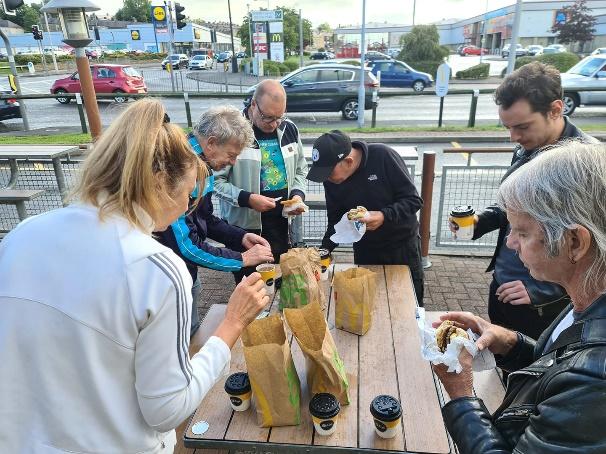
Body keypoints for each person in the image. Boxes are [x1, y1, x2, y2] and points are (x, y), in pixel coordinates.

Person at [0, 99, 269, 453]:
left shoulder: (22, 233)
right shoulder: (155, 267)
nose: (189, 203)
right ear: (159, 183)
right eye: (189, 193)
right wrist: (232, 323)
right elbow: (166, 408)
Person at [433, 141, 606, 453]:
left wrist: (461, 396)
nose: (510, 243)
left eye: (522, 233)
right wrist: (511, 343)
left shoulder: (594, 382)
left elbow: (574, 374)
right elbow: (557, 367)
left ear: (575, 241)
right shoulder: (588, 298)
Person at [450, 62, 596, 339]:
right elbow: (513, 207)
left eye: (522, 126)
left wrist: (541, 292)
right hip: (504, 283)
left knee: (533, 370)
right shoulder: (528, 147)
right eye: (508, 127)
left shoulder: (586, 164)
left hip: (540, 302)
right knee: (502, 358)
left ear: (555, 109)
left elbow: (597, 247)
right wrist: (479, 223)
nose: (514, 137)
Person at [155, 106, 274, 337]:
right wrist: (241, 259)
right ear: (211, 142)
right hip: (165, 279)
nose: (233, 162)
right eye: (231, 155)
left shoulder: (203, 165)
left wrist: (239, 236)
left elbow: (205, 218)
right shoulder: (182, 167)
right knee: (181, 339)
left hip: (184, 272)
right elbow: (185, 245)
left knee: (192, 328)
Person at [307, 130, 425, 303]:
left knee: (408, 304)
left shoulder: (383, 156)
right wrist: (323, 252)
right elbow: (336, 220)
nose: (327, 179)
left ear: (348, 161)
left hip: (401, 248)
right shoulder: (332, 180)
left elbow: (414, 200)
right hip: (365, 250)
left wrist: (384, 216)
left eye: (329, 173)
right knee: (370, 303)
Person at [213, 79, 308, 274]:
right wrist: (247, 199)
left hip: (281, 223)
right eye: (268, 118)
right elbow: (215, 181)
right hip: (244, 228)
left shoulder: (289, 129)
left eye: (279, 117)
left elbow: (300, 168)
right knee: (250, 283)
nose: (274, 124)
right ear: (253, 104)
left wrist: (298, 195)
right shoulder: (232, 132)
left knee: (279, 280)